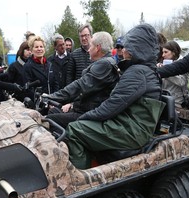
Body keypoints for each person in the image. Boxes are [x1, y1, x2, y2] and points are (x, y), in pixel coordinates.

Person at [66, 24, 165, 169]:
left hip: (132, 129)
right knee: (83, 126)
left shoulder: (138, 72)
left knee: (74, 129)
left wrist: (83, 117)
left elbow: (112, 106)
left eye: (127, 47)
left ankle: (81, 181)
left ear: (137, 49)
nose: (123, 50)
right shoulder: (144, 69)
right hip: (131, 125)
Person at [45, 31, 119, 128]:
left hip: (88, 114)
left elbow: (80, 86)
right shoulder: (107, 62)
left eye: (91, 46)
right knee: (54, 111)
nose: (88, 50)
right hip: (84, 108)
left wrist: (51, 97)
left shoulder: (104, 64)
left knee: (48, 119)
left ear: (98, 48)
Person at [23, 35, 59, 100]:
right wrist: (42, 99)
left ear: (44, 49)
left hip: (53, 101)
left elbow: (56, 84)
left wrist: (55, 98)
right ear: (31, 50)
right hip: (38, 104)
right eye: (36, 47)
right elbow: (28, 89)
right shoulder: (28, 66)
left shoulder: (50, 64)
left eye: (41, 46)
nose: (39, 49)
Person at [157, 40, 189, 108]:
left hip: (177, 102)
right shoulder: (164, 63)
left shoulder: (182, 64)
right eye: (162, 52)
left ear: (174, 52)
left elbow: (181, 82)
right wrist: (158, 70)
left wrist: (165, 72)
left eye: (166, 52)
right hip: (165, 100)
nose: (163, 55)